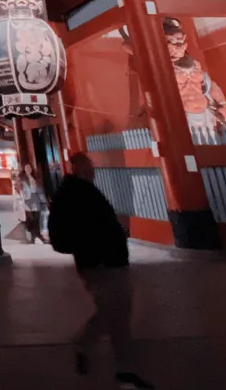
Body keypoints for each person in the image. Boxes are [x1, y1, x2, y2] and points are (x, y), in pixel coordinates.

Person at [49, 153, 153, 390]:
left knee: (117, 313)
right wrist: (92, 246)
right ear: (77, 168)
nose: (92, 170)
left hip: (108, 260)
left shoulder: (84, 192)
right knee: (115, 313)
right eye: (88, 166)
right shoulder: (72, 195)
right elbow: (64, 235)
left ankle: (110, 360)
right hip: (99, 263)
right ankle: (114, 364)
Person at [20, 164, 45, 244]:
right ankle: (33, 235)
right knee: (31, 218)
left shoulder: (36, 177)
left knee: (37, 217)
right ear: (24, 169)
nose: (28, 169)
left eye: (29, 168)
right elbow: (19, 189)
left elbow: (40, 188)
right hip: (27, 200)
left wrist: (43, 199)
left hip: (36, 198)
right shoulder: (22, 178)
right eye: (26, 168)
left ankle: (37, 234)